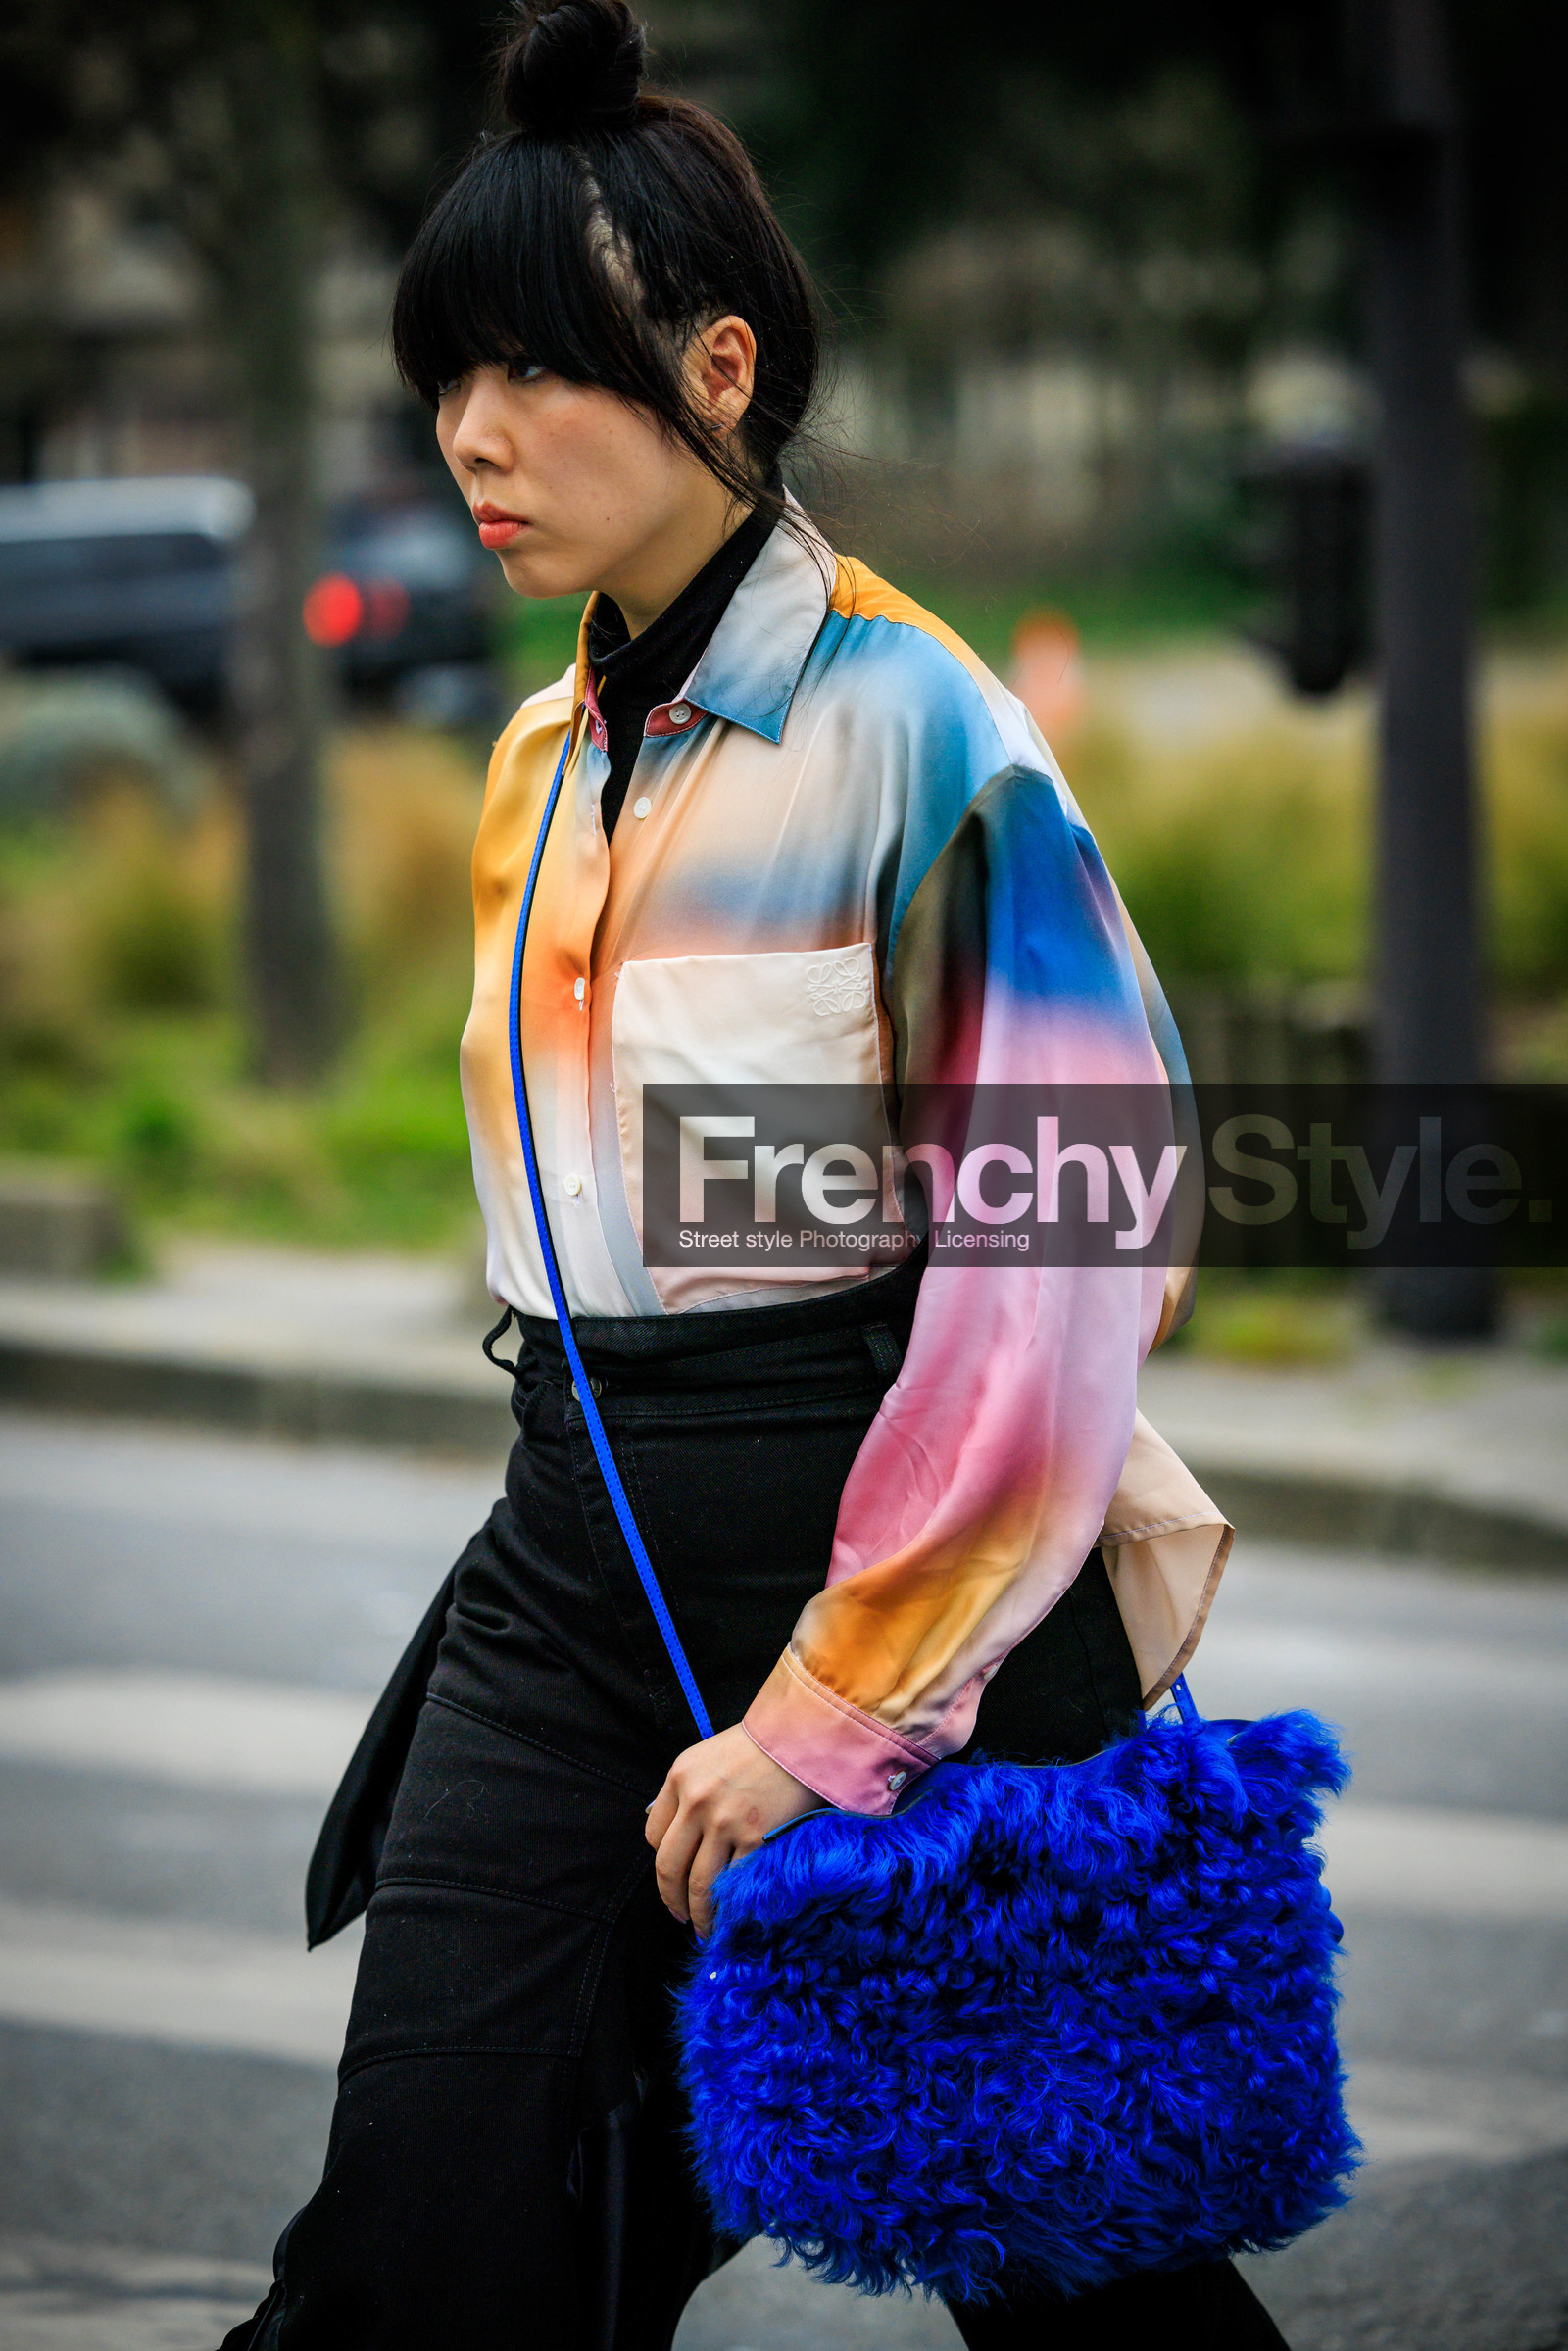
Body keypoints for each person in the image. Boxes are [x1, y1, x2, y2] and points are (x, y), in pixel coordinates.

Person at [221, 4, 1277, 2345]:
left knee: (1080, 2271)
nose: (468, 440)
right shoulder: (534, 754)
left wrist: (834, 1710)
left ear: (715, 370)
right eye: (441, 381)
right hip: (564, 1561)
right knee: (422, 2232)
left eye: (529, 376)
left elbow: (1069, 1251)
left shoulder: (931, 738)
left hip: (901, 1561)